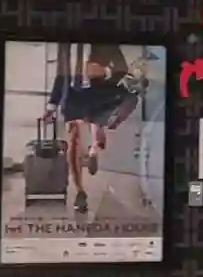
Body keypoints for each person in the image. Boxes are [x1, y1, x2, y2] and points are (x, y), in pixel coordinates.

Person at [53, 45, 141, 214]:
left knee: (85, 128)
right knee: (74, 138)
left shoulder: (101, 45)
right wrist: (53, 102)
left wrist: (106, 79)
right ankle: (80, 189)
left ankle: (94, 147)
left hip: (95, 93)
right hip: (76, 96)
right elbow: (61, 75)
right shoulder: (67, 47)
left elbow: (121, 69)